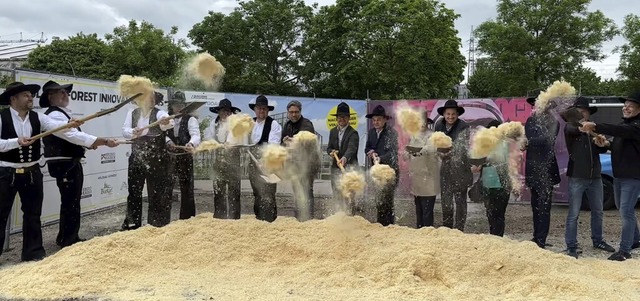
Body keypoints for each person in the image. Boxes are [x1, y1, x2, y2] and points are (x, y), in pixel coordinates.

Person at [0, 82, 95, 261]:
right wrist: (16, 142)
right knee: (0, 214)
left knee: (33, 214)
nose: (31, 98)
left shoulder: (39, 118)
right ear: (13, 99)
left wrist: (93, 139)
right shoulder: (1, 118)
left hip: (32, 172)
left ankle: (33, 253)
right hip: (6, 173)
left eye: (31, 95)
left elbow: (64, 131)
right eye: (26, 95)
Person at [40, 80, 119, 248]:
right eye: (60, 92)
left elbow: (74, 137)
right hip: (65, 164)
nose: (65, 94)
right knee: (71, 202)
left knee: (71, 201)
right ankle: (69, 240)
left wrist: (90, 144)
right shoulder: (55, 115)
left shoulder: (61, 114)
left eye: (66, 92)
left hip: (67, 162)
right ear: (50, 96)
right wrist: (102, 141)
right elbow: (72, 135)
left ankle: (66, 237)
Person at [579, 91, 640, 261]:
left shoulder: (636, 126)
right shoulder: (627, 125)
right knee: (624, 209)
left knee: (626, 211)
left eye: (631, 105)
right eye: (625, 105)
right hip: (620, 175)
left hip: (632, 177)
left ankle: (625, 250)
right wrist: (607, 144)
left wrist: (595, 126)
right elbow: (622, 146)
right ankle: (635, 239)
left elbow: (620, 130)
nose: (626, 107)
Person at [563, 97, 615, 258]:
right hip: (577, 176)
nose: (581, 113)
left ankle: (598, 240)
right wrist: (582, 129)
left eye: (584, 110)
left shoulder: (594, 129)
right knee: (573, 213)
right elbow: (571, 130)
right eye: (578, 110)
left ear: (588, 113)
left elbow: (601, 150)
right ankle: (571, 245)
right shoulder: (570, 126)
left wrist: (601, 143)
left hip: (596, 177)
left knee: (598, 211)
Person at [121, 91, 174, 230]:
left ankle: (155, 225)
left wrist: (166, 121)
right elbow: (125, 131)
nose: (150, 100)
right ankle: (132, 224)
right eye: (147, 98)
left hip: (156, 160)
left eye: (152, 98)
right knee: (134, 192)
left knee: (156, 192)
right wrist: (134, 131)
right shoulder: (132, 113)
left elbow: (168, 122)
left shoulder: (159, 113)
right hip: (137, 158)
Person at [524, 93, 560, 248]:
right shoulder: (530, 121)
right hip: (533, 169)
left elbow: (544, 141)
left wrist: (526, 142)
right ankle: (536, 236)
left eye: (539, 104)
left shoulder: (553, 121)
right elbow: (532, 137)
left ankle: (541, 240)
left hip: (546, 170)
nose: (536, 107)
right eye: (535, 104)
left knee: (544, 207)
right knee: (535, 206)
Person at [434, 99, 472, 231]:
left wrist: (449, 151)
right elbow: (436, 144)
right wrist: (439, 153)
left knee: (460, 201)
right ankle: (447, 228)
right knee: (446, 200)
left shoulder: (464, 127)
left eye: (453, 114)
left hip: (461, 169)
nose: (450, 117)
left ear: (457, 114)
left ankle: (459, 229)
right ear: (444, 114)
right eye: (448, 114)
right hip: (445, 169)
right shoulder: (438, 125)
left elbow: (462, 147)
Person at [204, 98, 244, 219]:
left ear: (231, 113)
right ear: (219, 112)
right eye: (223, 111)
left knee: (234, 191)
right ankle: (219, 217)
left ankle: (234, 218)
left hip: (233, 162)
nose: (225, 113)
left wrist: (229, 144)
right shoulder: (214, 123)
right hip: (218, 161)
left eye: (227, 111)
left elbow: (239, 138)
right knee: (218, 190)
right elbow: (208, 136)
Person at [281, 100, 319, 221]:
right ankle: (298, 218)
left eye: (296, 112)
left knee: (307, 191)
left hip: (308, 165)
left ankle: (308, 219)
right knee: (297, 191)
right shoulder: (287, 125)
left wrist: (292, 140)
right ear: (287, 113)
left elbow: (307, 138)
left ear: (300, 112)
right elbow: (282, 144)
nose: (293, 115)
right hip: (294, 165)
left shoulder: (307, 124)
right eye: (291, 112)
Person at [473, 120, 511, 237]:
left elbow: (500, 159)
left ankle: (498, 237)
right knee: (490, 213)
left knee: (499, 214)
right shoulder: (484, 146)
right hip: (488, 183)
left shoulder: (504, 144)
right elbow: (477, 165)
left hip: (501, 184)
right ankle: (494, 236)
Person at [166, 91, 200, 220]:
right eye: (176, 105)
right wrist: (168, 141)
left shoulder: (191, 119)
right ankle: (164, 219)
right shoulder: (166, 118)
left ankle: (187, 219)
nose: (178, 107)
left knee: (187, 189)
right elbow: (161, 134)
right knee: (166, 187)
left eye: (180, 105)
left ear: (185, 106)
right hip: (169, 157)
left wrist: (191, 143)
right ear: (172, 106)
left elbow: (196, 135)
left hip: (185, 156)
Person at [249, 95, 282, 222]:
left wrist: (265, 160)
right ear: (255, 110)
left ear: (268, 110)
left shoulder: (273, 124)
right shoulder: (249, 123)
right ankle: (259, 219)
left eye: (264, 109)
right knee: (257, 192)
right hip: (253, 164)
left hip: (268, 164)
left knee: (268, 194)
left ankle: (270, 221)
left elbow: (273, 145)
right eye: (259, 108)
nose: (261, 111)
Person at [364, 105, 399, 226]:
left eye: (378, 119)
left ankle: (390, 225)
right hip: (377, 173)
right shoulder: (371, 132)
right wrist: (371, 152)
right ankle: (380, 224)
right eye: (374, 120)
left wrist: (380, 158)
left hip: (388, 172)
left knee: (388, 200)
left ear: (385, 120)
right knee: (378, 199)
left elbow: (393, 152)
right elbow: (367, 148)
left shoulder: (392, 133)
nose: (376, 122)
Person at [404, 113, 440, 228]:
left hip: (429, 176)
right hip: (416, 177)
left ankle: (428, 233)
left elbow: (432, 149)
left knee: (427, 210)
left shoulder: (433, 135)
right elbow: (408, 152)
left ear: (427, 122)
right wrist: (406, 154)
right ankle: (419, 231)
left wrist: (418, 151)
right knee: (418, 208)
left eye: (423, 121)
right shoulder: (414, 136)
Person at [326, 102, 359, 214]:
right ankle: (338, 216)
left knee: (349, 196)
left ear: (349, 118)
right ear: (336, 118)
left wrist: (344, 158)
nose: (341, 119)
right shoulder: (333, 131)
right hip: (336, 168)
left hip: (349, 170)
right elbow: (329, 147)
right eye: (339, 117)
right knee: (337, 194)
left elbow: (352, 149)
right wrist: (331, 152)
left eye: (344, 117)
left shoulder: (353, 133)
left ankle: (350, 219)